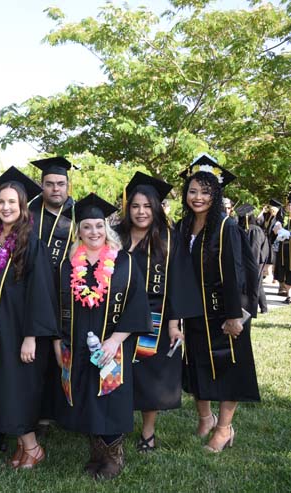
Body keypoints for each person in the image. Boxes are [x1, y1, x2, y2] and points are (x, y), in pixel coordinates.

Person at [54, 193, 151, 480]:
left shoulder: (125, 262)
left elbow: (137, 305)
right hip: (77, 340)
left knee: (111, 393)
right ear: (79, 230)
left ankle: (113, 456)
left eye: (98, 226)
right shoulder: (68, 264)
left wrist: (115, 340)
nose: (93, 232)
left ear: (106, 228)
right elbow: (55, 305)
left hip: (112, 344)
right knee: (85, 392)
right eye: (87, 227)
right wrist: (57, 342)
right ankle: (96, 452)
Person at [0, 167, 58, 470]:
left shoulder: (30, 242)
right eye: (1, 202)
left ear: (23, 207)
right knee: (4, 390)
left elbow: (40, 291)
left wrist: (31, 337)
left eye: (12, 202)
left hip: (18, 333)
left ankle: (33, 448)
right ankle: (26, 446)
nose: (6, 207)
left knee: (17, 391)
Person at [177, 155, 260, 453]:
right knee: (198, 365)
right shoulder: (184, 226)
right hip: (195, 312)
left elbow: (238, 271)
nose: (198, 197)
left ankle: (224, 429)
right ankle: (205, 418)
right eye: (193, 191)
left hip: (224, 313)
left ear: (216, 195)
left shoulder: (225, 227)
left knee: (228, 368)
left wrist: (236, 315)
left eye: (205, 192)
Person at [116, 172, 203, 452]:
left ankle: (148, 433)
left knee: (150, 377)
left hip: (156, 319)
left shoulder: (168, 239)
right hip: (117, 320)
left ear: (156, 208)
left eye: (147, 206)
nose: (141, 212)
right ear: (128, 208)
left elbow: (178, 282)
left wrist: (175, 323)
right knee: (118, 374)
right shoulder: (116, 236)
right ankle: (115, 426)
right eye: (135, 206)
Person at [28, 156, 76, 427]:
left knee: (66, 353)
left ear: (68, 186)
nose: (55, 189)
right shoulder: (29, 214)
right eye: (49, 184)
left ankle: (66, 411)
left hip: (69, 295)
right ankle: (40, 414)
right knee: (39, 356)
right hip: (35, 296)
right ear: (41, 186)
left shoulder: (80, 215)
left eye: (60, 184)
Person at [236, 204, 270, 313]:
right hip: (249, 263)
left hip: (252, 263)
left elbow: (255, 249)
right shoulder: (242, 229)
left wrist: (253, 265)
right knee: (254, 286)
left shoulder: (254, 230)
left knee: (254, 285)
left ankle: (254, 309)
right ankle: (258, 309)